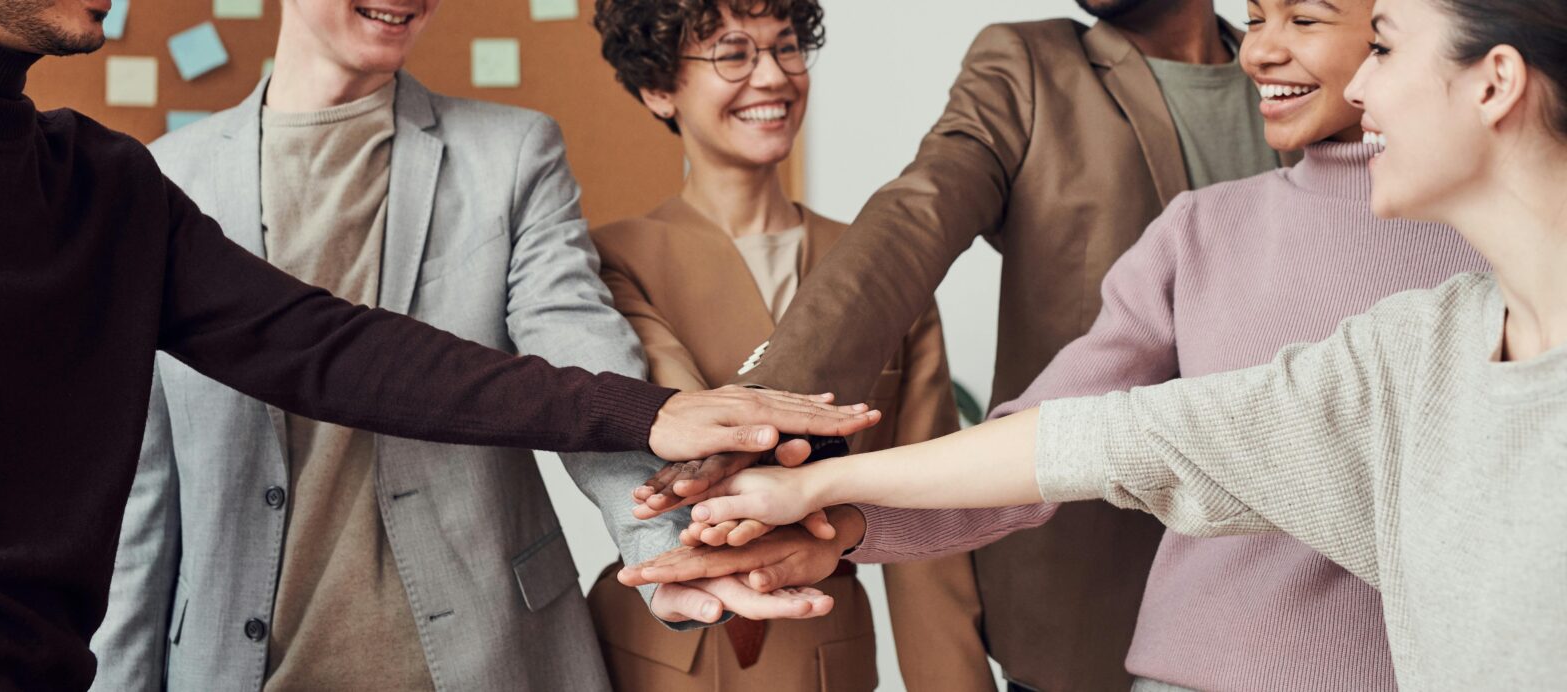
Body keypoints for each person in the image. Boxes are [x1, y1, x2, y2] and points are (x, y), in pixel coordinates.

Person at [637, 0, 1567, 687]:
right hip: (1134, 633)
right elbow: (1091, 420)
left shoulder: (1447, 280)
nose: (1277, 49)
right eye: (1265, 17)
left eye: (1347, 34)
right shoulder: (1366, 323)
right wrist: (805, 476)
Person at [0, 0, 880, 688]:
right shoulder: (167, 170)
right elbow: (144, 502)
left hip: (479, 656)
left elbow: (336, 349)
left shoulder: (104, 187)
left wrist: (664, 496)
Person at [629, 0, 1287, 688]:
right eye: (733, 55)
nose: (767, 76)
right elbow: (918, 215)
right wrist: (768, 403)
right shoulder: (1031, 66)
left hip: (1301, 596)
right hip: (1090, 593)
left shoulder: (1303, 74)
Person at [585, 1, 975, 689]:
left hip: (826, 651)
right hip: (653, 652)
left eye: (787, 48)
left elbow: (931, 510)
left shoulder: (880, 262)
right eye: (733, 54)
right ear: (658, 88)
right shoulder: (611, 260)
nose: (772, 76)